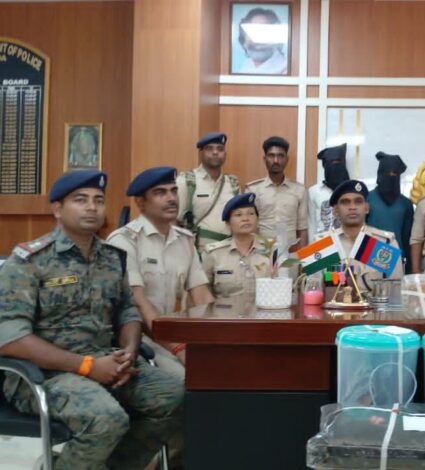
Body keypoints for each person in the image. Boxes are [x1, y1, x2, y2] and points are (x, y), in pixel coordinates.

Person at [0, 170, 183, 469]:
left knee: (180, 398)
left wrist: (129, 352)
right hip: (45, 375)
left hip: (108, 363)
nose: (91, 207)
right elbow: (11, 338)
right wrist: (87, 366)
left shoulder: (111, 257)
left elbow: (127, 311)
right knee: (106, 419)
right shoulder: (29, 261)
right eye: (80, 200)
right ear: (57, 209)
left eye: (98, 200)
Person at [108, 167, 213, 379]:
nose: (171, 198)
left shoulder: (184, 240)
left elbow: (202, 297)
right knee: (192, 379)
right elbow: (139, 304)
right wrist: (178, 348)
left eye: (174, 191)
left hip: (172, 335)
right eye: (160, 193)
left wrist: (217, 340)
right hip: (138, 339)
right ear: (140, 202)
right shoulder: (124, 241)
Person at [327, 179, 404, 292]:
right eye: (345, 202)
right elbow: (312, 288)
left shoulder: (385, 243)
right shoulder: (322, 244)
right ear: (335, 210)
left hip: (375, 303)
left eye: (358, 202)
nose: (352, 207)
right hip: (334, 303)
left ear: (366, 208)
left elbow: (396, 290)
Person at [202, 193, 273, 300]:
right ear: (228, 224)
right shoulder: (214, 254)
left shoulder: (271, 251)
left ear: (258, 221)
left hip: (263, 309)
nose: (246, 219)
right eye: (238, 215)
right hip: (225, 310)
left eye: (251, 214)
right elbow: (202, 293)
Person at [176, 132, 240, 250]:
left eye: (220, 149)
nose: (215, 152)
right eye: (209, 148)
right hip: (197, 250)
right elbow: (175, 220)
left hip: (228, 249)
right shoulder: (187, 181)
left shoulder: (232, 183)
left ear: (225, 154)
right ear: (201, 153)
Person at [245, 136, 308, 249]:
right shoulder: (253, 190)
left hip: (290, 253)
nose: (275, 161)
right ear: (264, 159)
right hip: (261, 252)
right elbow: (247, 226)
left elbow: (302, 228)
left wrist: (302, 257)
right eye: (271, 156)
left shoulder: (299, 190)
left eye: (280, 156)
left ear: (286, 159)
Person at [366, 151, 414, 273]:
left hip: (397, 260)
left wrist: (409, 268)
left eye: (394, 173)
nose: (391, 176)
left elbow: (407, 237)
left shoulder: (406, 204)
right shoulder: (366, 199)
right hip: (368, 256)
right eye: (387, 172)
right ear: (380, 173)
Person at [308, 143, 350, 235]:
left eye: (339, 163)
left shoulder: (353, 191)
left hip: (348, 241)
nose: (335, 168)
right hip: (323, 242)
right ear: (325, 166)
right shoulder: (314, 191)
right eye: (332, 164)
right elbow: (312, 224)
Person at [236, 7, 288, 74]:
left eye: (263, 32)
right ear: (244, 41)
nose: (257, 41)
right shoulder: (246, 66)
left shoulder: (286, 70)